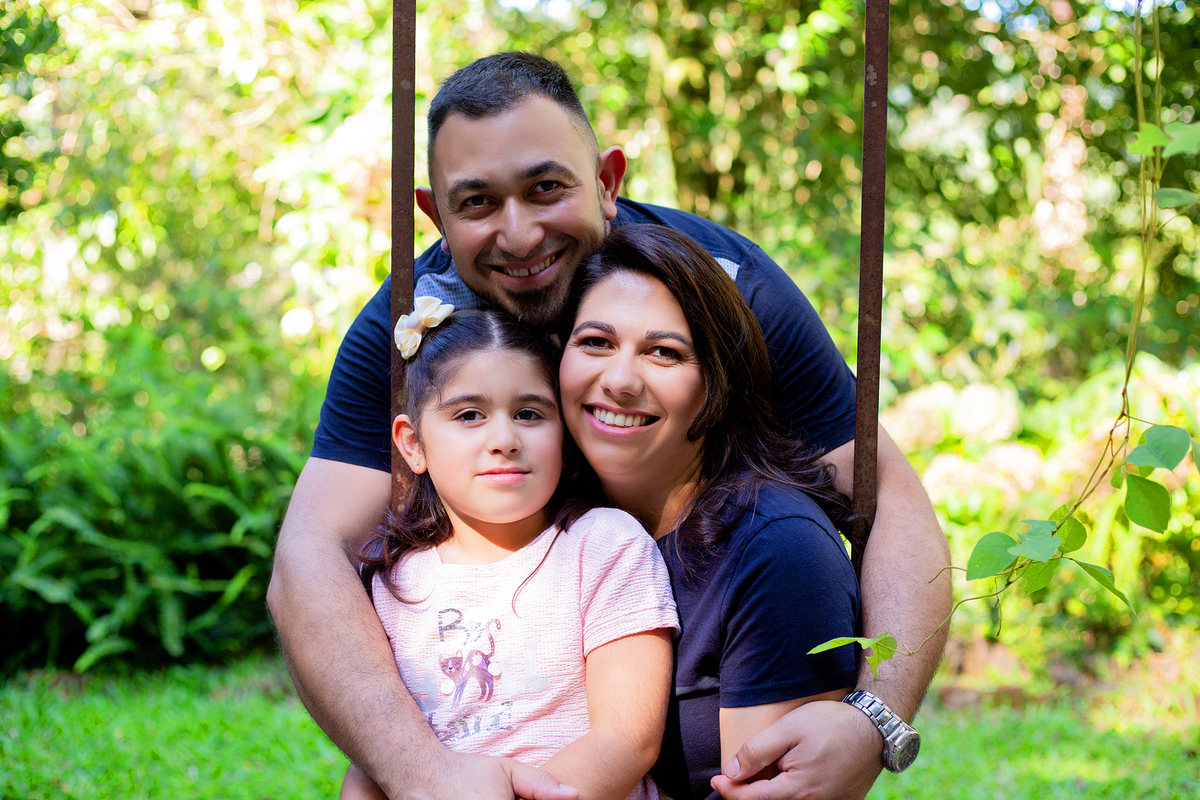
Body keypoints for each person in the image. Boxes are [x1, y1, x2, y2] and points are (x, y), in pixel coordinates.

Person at [268, 52, 951, 800]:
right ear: (436, 215)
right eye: (478, 203)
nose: (520, 234)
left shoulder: (722, 288)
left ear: (607, 180)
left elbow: (889, 501)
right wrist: (423, 774)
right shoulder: (413, 328)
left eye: (546, 188)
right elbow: (308, 557)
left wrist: (875, 717)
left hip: (714, 621)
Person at [559, 224, 860, 799]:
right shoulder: (550, 519)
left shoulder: (775, 549)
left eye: (664, 353)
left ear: (717, 383)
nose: (620, 380)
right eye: (596, 342)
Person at [339, 306, 678, 800]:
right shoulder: (394, 585)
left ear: (564, 432)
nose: (504, 440)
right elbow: (374, 764)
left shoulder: (603, 547)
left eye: (529, 414)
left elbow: (625, 740)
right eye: (469, 415)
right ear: (413, 444)